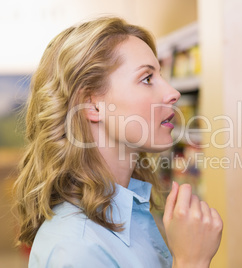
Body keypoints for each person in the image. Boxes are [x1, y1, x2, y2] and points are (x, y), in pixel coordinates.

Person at [13, 16, 223, 268]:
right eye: (147, 78)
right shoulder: (74, 251)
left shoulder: (127, 210)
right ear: (91, 104)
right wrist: (191, 261)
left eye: (161, 75)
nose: (172, 92)